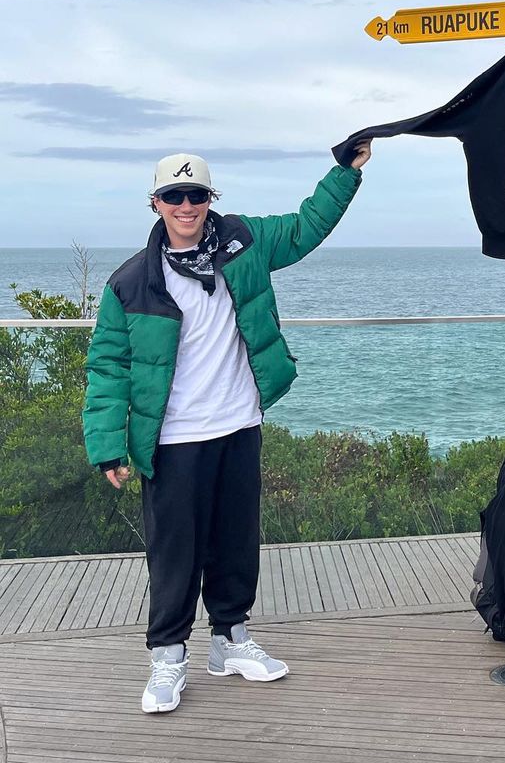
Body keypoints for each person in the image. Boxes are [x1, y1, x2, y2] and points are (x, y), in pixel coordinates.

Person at [82, 145, 370, 714]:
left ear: (210, 199)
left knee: (236, 541)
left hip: (238, 423)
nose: (186, 206)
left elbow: (306, 226)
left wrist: (346, 171)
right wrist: (108, 444)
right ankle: (168, 656)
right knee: (175, 553)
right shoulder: (132, 283)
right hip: (173, 438)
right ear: (156, 202)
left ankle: (230, 640)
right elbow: (108, 367)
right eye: (174, 195)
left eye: (196, 195)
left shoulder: (244, 242)